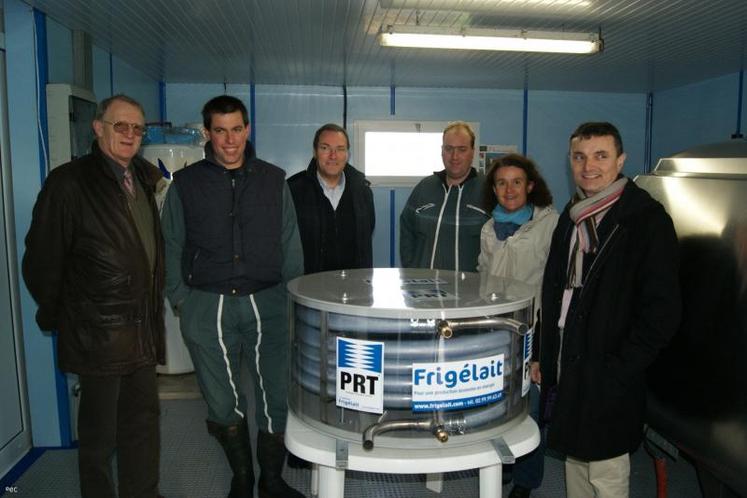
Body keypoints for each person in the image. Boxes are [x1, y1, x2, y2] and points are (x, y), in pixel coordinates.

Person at [161, 95, 304, 498]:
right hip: (207, 304)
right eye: (220, 131)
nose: (229, 140)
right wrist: (181, 300)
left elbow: (290, 242)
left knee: (274, 396)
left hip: (269, 302)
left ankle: (272, 481)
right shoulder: (185, 184)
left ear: (248, 130)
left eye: (237, 129)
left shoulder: (274, 179)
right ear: (207, 133)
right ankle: (242, 479)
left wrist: (292, 299)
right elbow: (170, 243)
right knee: (222, 402)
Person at [23, 94, 165, 498]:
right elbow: (41, 263)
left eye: (137, 128)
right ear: (98, 127)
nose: (130, 135)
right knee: (99, 438)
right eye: (121, 125)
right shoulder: (68, 183)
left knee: (142, 424)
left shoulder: (140, 178)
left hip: (140, 329)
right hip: (97, 334)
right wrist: (66, 317)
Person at [538, 122, 681, 498]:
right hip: (571, 361)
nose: (589, 166)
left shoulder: (646, 222)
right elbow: (554, 292)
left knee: (607, 472)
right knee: (576, 465)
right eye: (579, 156)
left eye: (601, 155)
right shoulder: (571, 218)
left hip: (610, 369)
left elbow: (662, 313)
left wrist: (620, 368)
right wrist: (544, 353)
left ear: (621, 160)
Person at [476, 153, 558, 498]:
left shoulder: (550, 224)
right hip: (495, 329)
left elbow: (557, 284)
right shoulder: (487, 228)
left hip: (534, 330)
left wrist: (544, 346)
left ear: (531, 186)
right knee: (497, 403)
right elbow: (482, 278)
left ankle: (525, 481)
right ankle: (504, 464)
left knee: (530, 409)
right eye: (501, 182)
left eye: (516, 182)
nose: (509, 189)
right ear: (493, 189)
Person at [399, 121, 488, 271]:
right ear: (442, 151)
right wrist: (412, 269)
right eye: (449, 149)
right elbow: (407, 229)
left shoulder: (488, 190)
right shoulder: (424, 188)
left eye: (462, 149)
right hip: (425, 288)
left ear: (472, 152)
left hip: (471, 290)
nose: (454, 156)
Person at [288, 123, 375, 273]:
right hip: (308, 287)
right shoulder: (293, 191)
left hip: (354, 287)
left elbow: (367, 234)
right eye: (325, 148)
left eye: (340, 149)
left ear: (347, 154)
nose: (333, 156)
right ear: (315, 152)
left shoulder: (363, 191)